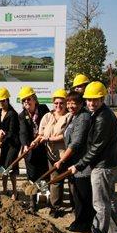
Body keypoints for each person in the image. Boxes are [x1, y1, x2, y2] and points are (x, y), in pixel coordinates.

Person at [69, 81, 117, 233]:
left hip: (103, 166)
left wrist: (78, 165)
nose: (91, 103)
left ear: (102, 98)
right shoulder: (101, 113)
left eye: (95, 100)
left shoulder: (102, 118)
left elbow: (96, 148)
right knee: (109, 200)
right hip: (110, 162)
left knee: (100, 204)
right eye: (89, 100)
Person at [54, 91, 94, 233]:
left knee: (83, 196)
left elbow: (76, 143)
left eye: (74, 103)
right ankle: (80, 221)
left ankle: (84, 224)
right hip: (74, 162)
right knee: (77, 195)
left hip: (82, 164)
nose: (70, 106)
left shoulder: (83, 118)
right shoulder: (74, 116)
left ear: (81, 103)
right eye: (69, 103)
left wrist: (62, 160)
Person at [30, 89, 71, 218]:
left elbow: (65, 136)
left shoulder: (69, 116)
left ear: (66, 104)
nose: (58, 106)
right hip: (50, 154)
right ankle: (54, 205)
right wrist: (34, 142)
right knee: (53, 180)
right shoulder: (48, 116)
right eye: (56, 103)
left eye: (61, 103)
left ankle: (60, 206)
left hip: (64, 154)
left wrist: (48, 139)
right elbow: (41, 134)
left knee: (61, 181)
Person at [18, 86, 49, 213]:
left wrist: (41, 138)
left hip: (43, 149)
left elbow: (48, 125)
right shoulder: (22, 115)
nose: (26, 102)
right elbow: (23, 132)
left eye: (28, 99)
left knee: (43, 175)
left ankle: (42, 199)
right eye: (24, 100)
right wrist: (25, 145)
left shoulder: (43, 109)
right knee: (32, 177)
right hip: (30, 151)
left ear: (34, 99)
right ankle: (32, 202)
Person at [0, 87, 21, 200]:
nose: (0, 103)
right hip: (5, 143)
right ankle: (5, 190)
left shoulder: (13, 114)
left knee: (10, 167)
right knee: (2, 166)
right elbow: (1, 127)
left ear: (7, 100)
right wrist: (0, 131)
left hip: (14, 144)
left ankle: (15, 192)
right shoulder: (0, 112)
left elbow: (11, 133)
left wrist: (1, 142)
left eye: (2, 101)